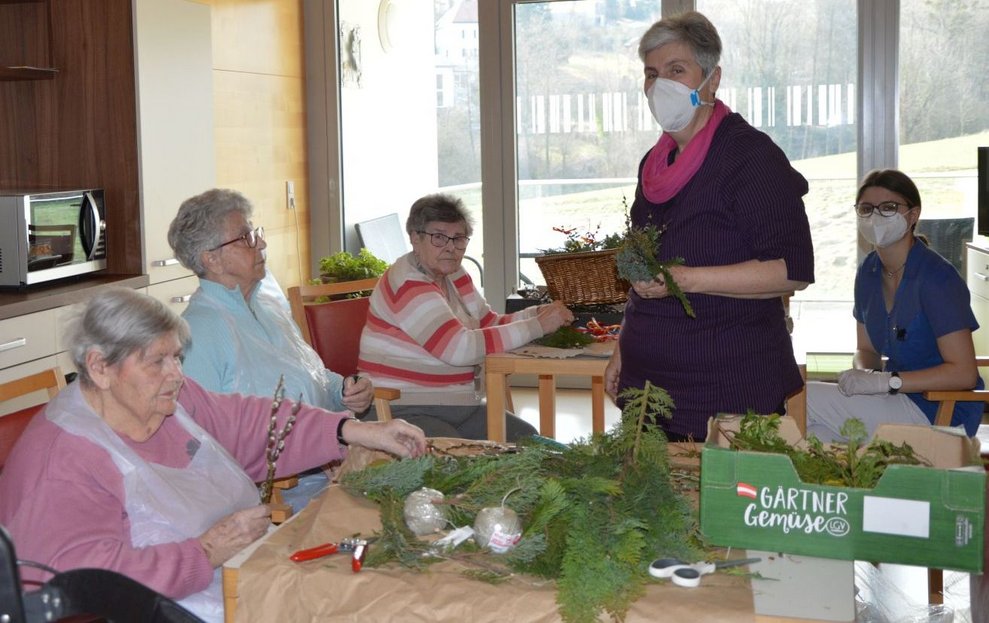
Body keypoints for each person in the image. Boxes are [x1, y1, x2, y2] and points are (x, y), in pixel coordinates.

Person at [0, 288, 426, 623]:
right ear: (99, 368)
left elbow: (247, 423)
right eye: (157, 362)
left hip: (239, 581)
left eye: (177, 358)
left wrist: (352, 430)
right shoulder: (64, 458)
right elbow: (78, 581)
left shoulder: (165, 400)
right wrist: (203, 554)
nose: (176, 375)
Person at [604, 11, 815, 441]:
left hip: (726, 389)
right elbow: (645, 266)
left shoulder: (751, 157)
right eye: (651, 74)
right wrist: (621, 346)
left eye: (676, 71)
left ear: (712, 79)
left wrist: (687, 279)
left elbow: (791, 270)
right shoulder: (654, 163)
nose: (660, 85)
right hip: (648, 389)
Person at [358, 193, 574, 441]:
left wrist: (536, 314)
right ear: (415, 238)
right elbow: (459, 348)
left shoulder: (454, 274)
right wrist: (537, 326)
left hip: (456, 408)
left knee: (528, 439)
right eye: (438, 237)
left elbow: (488, 324)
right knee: (459, 460)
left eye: (458, 238)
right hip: (401, 408)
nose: (450, 247)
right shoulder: (408, 283)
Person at [806, 170, 983, 441]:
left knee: (803, 398)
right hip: (895, 399)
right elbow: (866, 349)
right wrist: (865, 376)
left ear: (913, 215)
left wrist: (887, 382)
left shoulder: (937, 278)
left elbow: (964, 373)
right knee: (813, 434)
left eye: (888, 208)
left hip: (939, 410)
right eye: (866, 209)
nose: (875, 217)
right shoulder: (868, 272)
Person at [167, 188, 374, 415]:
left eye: (256, 233)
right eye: (246, 238)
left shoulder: (269, 308)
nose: (262, 244)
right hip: (277, 450)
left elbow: (311, 375)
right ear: (212, 259)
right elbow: (203, 431)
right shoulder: (197, 334)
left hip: (326, 440)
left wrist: (344, 391)